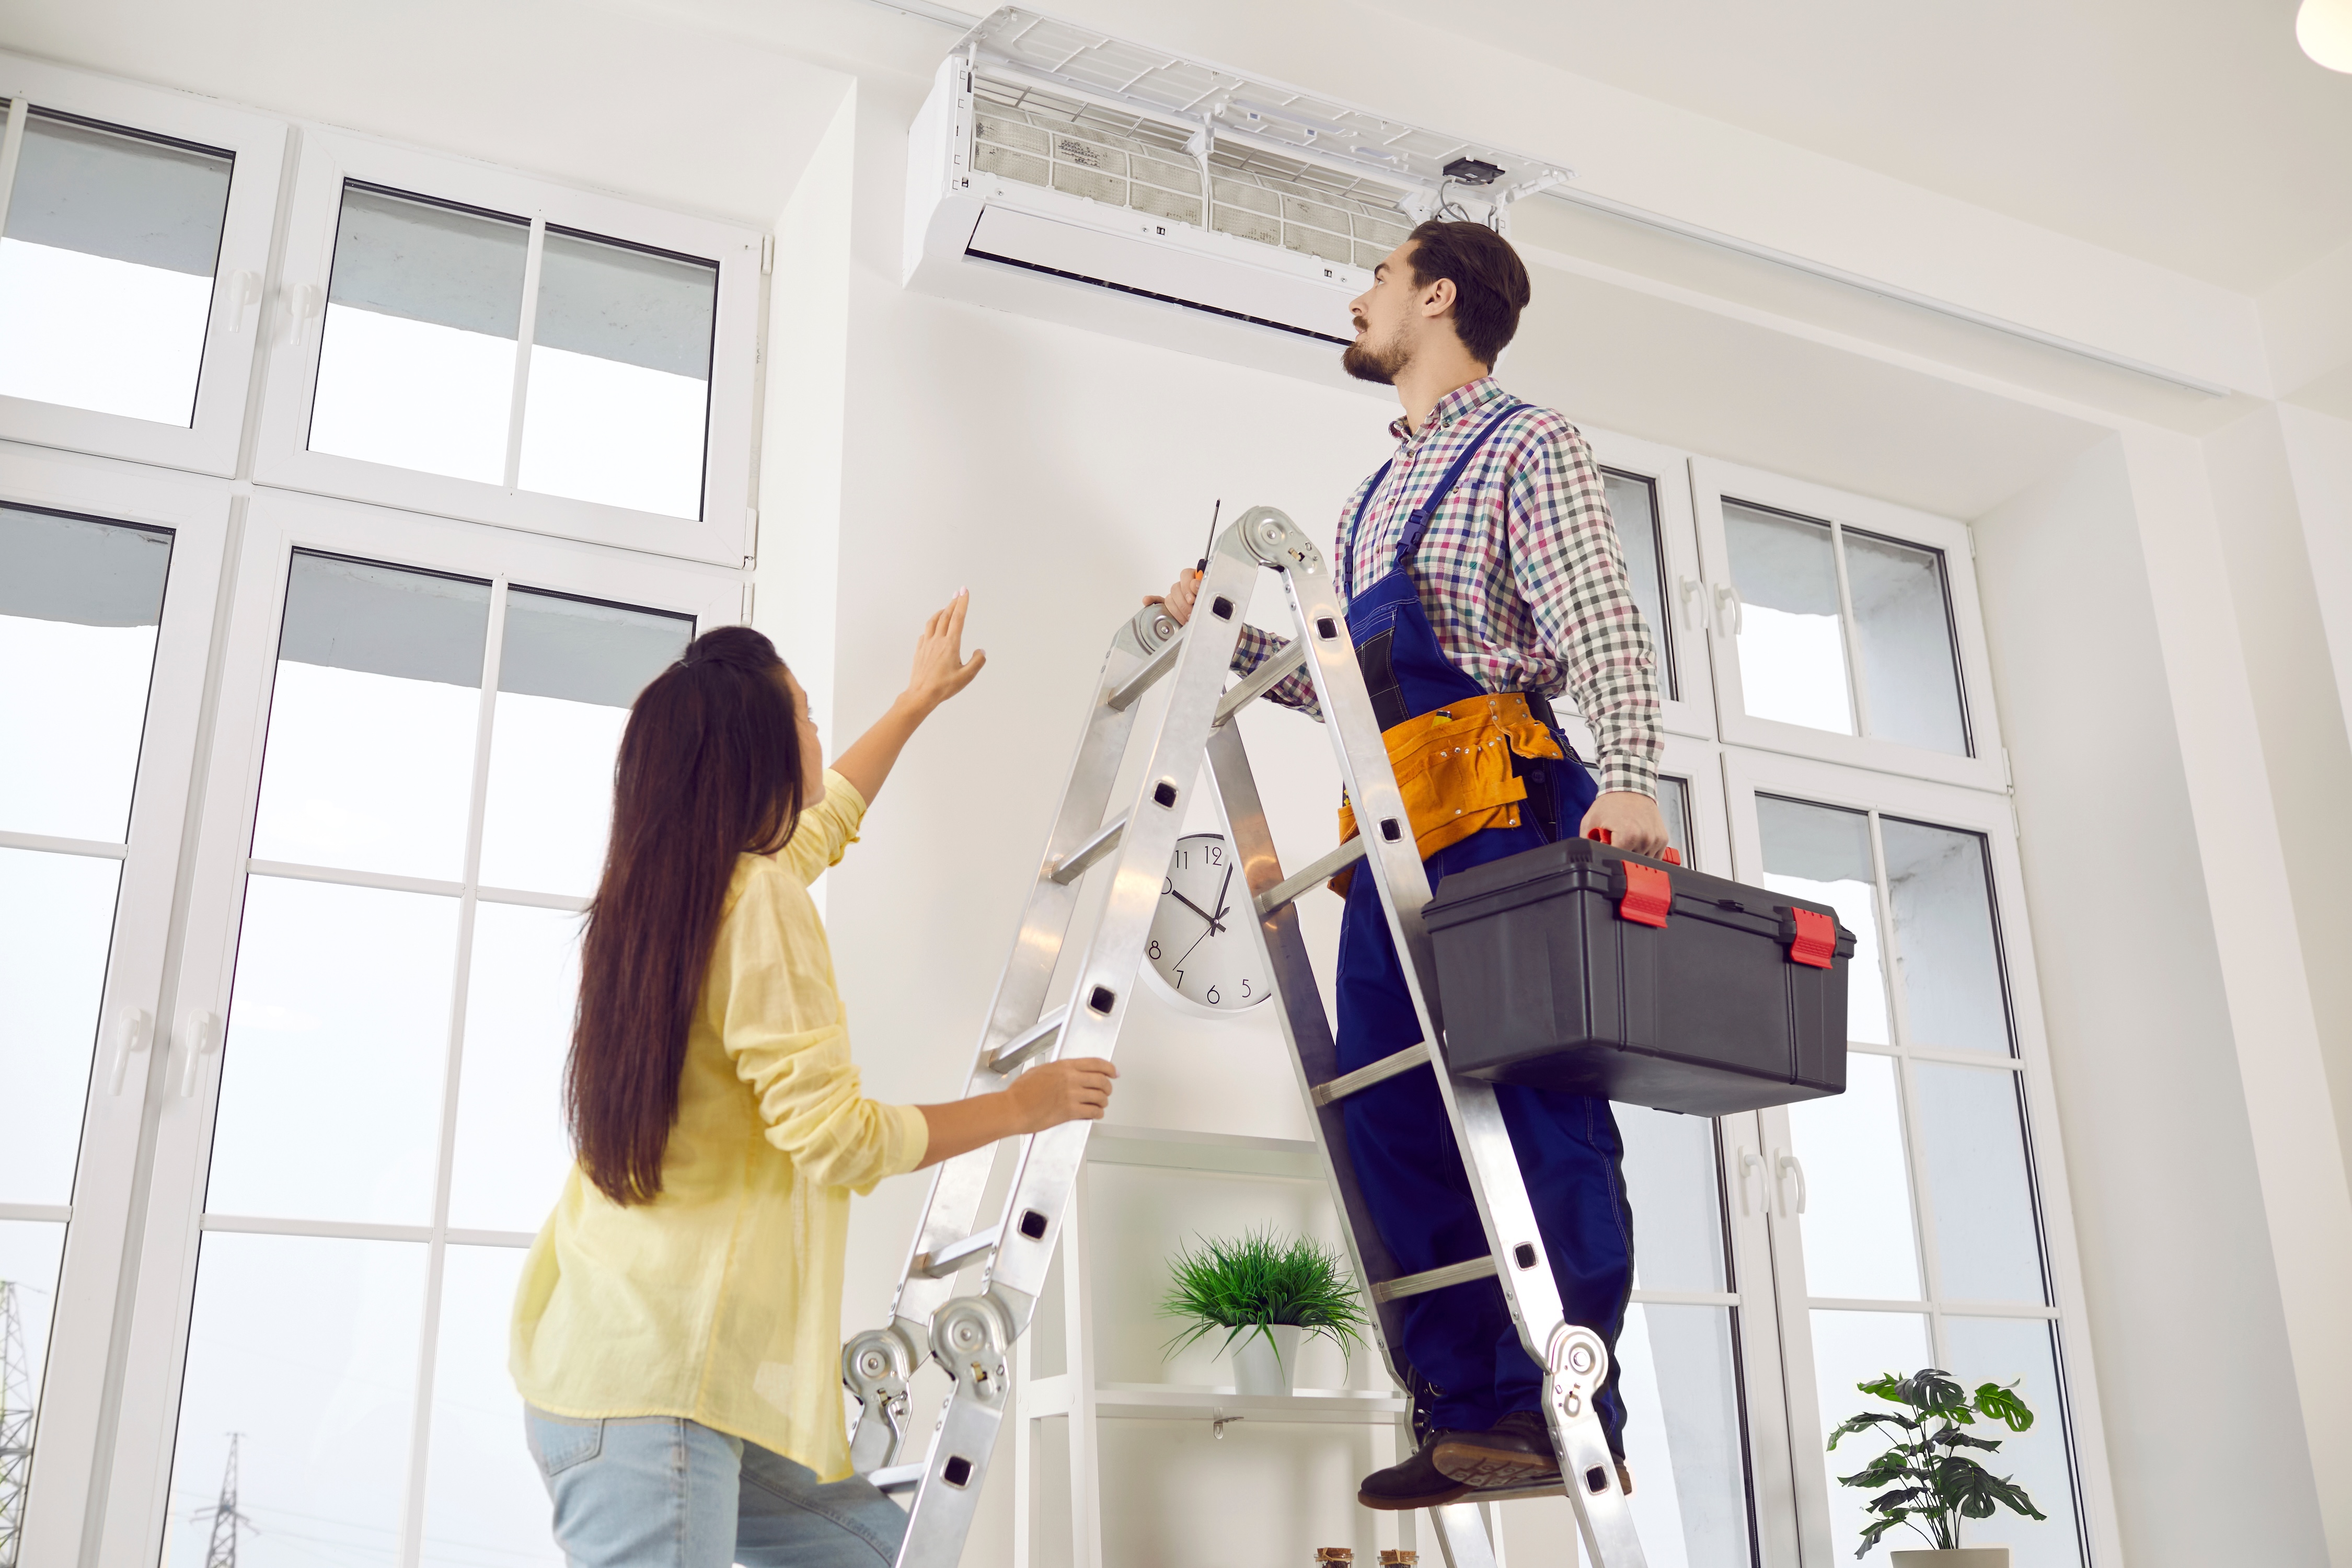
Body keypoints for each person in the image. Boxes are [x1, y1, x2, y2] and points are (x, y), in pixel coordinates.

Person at [1147, 221, 1666, 1509]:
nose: (1358, 298)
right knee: (1390, 1110)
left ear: (1438, 297)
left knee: (1533, 1103)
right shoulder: (1368, 503)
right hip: (1392, 840)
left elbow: (1600, 616)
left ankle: (1563, 1397)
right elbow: (1354, 711)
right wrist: (1224, 652)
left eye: (1377, 278)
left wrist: (1638, 775)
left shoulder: (1526, 445)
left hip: (1502, 809)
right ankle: (1469, 1411)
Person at [509, 599, 1117, 1566]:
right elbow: (834, 1137)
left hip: (648, 1370)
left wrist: (916, 703)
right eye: (802, 711)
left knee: (883, 1555)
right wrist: (1018, 1108)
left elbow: (824, 819)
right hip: (660, 1395)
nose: (817, 727)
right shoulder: (756, 908)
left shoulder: (673, 892)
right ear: (756, 750)